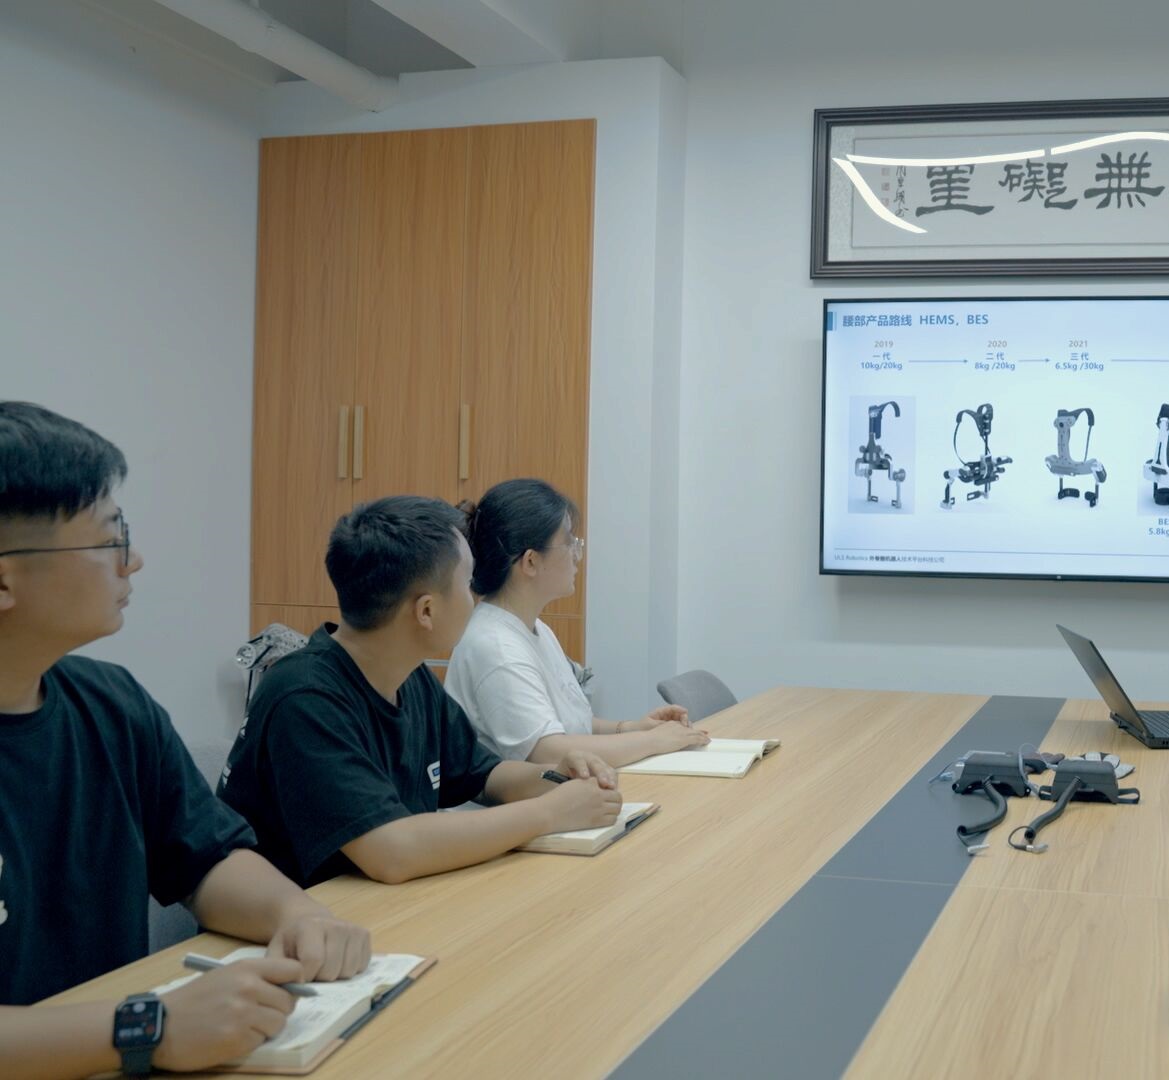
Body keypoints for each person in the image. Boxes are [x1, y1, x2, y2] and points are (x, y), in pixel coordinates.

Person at [0, 403, 371, 1079]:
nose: (134, 561)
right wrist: (147, 1027)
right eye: (109, 539)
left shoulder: (111, 703)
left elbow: (207, 858)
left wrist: (297, 912)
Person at [218, 496, 624, 888]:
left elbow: (483, 774)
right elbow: (390, 851)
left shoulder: (410, 677)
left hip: (381, 903)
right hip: (301, 921)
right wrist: (549, 812)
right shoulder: (304, 697)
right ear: (426, 610)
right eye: (467, 584)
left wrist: (556, 776)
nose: (475, 600)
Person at [446, 479, 704, 766]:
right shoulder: (495, 648)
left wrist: (632, 728)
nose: (577, 554)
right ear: (530, 562)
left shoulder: (535, 629)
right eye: (569, 542)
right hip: (522, 794)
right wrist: (655, 741)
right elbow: (548, 750)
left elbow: (569, 724)